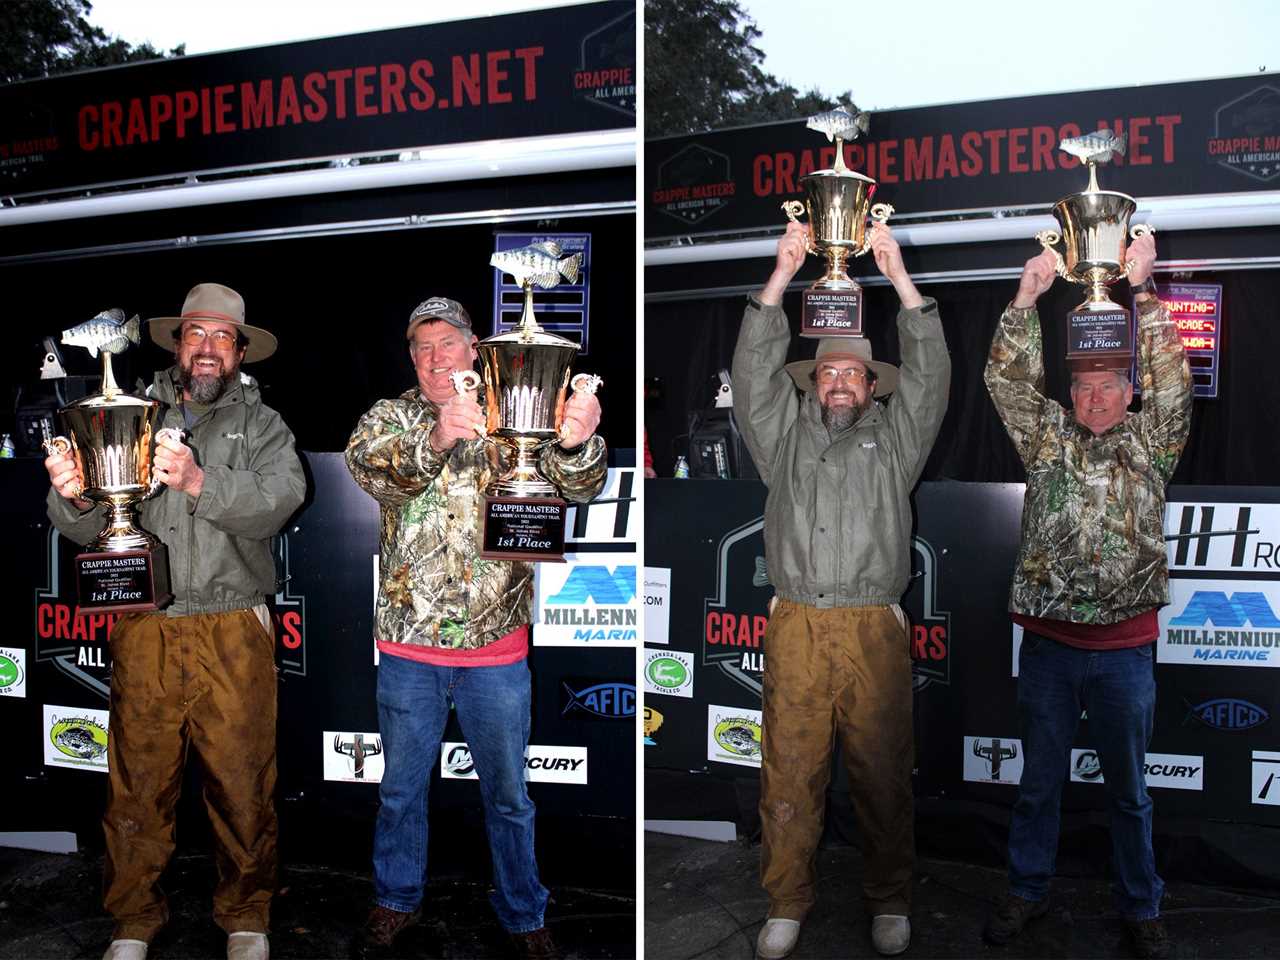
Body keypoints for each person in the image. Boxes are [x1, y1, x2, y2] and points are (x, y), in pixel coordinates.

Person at [45, 283, 306, 960]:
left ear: (241, 350)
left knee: (245, 780)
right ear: (176, 343)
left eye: (224, 337)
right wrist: (68, 495)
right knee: (139, 780)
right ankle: (133, 920)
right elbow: (88, 525)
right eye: (197, 334)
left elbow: (281, 501)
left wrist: (198, 481)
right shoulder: (129, 410)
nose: (209, 349)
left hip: (232, 625)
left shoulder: (264, 423)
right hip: (145, 623)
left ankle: (246, 915)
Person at [344, 297, 606, 959]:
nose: (435, 359)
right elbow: (368, 470)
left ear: (474, 348)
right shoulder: (390, 416)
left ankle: (523, 911)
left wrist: (577, 443)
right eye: (421, 348)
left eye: (447, 345)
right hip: (409, 645)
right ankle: (394, 899)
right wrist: (436, 438)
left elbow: (579, 486)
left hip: (496, 644)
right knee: (401, 791)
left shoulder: (518, 401)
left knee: (510, 796)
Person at [732, 221, 951, 959]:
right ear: (814, 382)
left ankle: (889, 899)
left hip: (871, 627)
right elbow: (755, 374)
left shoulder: (895, 441)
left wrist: (896, 275)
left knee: (884, 769)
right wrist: (782, 271)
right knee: (789, 768)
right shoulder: (782, 438)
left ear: (870, 387)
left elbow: (931, 380)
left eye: (852, 374)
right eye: (827, 372)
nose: (837, 382)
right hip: (795, 622)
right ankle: (786, 901)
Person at [981, 233, 1190, 960]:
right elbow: (1007, 383)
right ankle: (1026, 891)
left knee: (1130, 795)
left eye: (1111, 386)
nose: (1098, 397)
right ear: (1070, 396)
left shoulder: (1154, 441)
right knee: (1039, 786)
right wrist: (1026, 300)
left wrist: (1143, 290)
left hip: (1125, 656)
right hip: (1050, 649)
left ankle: (1142, 906)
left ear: (1130, 394)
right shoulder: (1046, 440)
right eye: (1085, 387)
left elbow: (1176, 380)